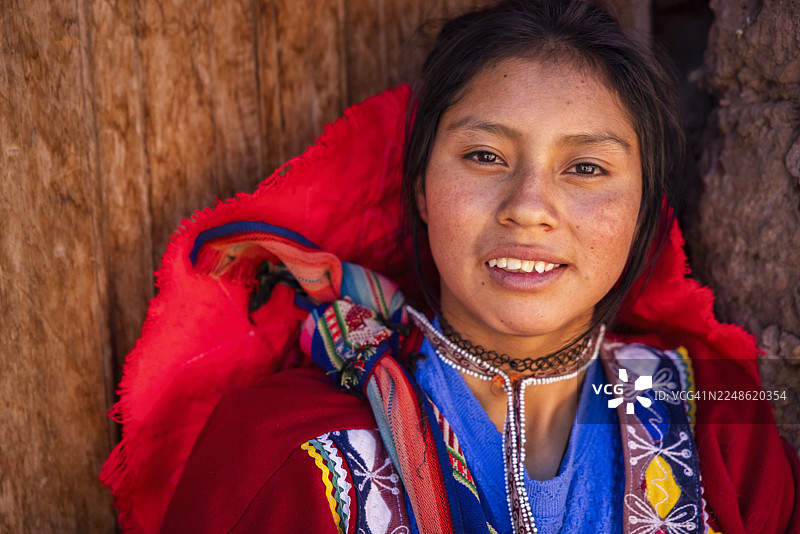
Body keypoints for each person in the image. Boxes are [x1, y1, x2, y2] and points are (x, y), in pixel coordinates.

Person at [101, 1, 800, 533]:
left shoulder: (712, 421)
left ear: (645, 209)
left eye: (586, 168)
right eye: (485, 157)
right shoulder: (286, 450)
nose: (530, 207)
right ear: (422, 194)